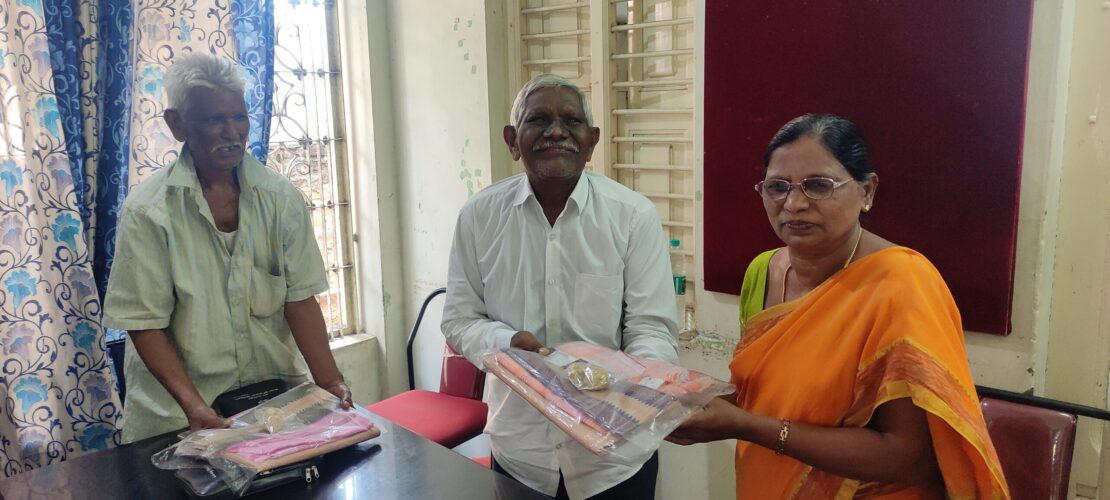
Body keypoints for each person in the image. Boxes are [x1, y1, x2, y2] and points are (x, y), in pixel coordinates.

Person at [667, 114, 1009, 498]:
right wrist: (695, 401)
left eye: (818, 185)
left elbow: (909, 456)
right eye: (777, 187)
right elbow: (768, 391)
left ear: (867, 191)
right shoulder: (762, 272)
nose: (793, 204)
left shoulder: (902, 284)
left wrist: (746, 426)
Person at [442, 74, 680, 500]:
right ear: (513, 141)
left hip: (615, 459)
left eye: (571, 121)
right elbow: (459, 318)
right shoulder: (479, 217)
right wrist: (507, 343)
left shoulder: (632, 216)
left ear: (591, 141)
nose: (556, 132)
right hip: (521, 456)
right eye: (539, 120)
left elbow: (652, 328)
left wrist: (635, 385)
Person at [103, 53, 351, 443]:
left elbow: (299, 300)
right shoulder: (149, 212)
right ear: (177, 124)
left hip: (273, 407)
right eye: (214, 120)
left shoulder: (279, 198)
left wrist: (331, 383)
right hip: (178, 418)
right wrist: (195, 408)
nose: (232, 132)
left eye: (239, 117)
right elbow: (144, 324)